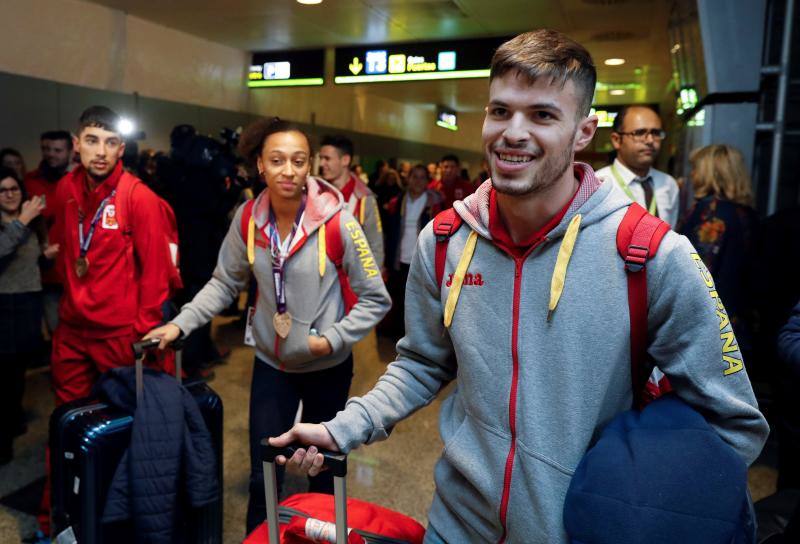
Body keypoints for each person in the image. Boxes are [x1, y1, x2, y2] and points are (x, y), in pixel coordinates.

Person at [270, 29, 769, 543]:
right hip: (457, 525)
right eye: (500, 111)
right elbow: (421, 362)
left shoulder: (651, 254)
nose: (513, 132)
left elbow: (732, 424)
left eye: (543, 115)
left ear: (584, 132)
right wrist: (340, 429)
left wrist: (645, 516)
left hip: (579, 532)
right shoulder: (443, 242)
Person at [143, 118, 391, 534]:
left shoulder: (338, 220)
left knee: (323, 472)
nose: (288, 171)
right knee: (265, 471)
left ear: (310, 164)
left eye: (298, 161)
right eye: (277, 161)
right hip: (272, 366)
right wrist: (179, 325)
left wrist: (330, 340)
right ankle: (261, 538)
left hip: (325, 368)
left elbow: (376, 297)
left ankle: (319, 539)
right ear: (261, 165)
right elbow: (224, 282)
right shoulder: (248, 219)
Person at [37, 106, 176, 535]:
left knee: (128, 432)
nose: (101, 151)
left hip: (122, 337)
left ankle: (120, 522)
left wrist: (143, 336)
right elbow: (66, 250)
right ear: (77, 144)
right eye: (92, 141)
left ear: (122, 148)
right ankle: (59, 516)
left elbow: (157, 275)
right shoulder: (65, 188)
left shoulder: (139, 198)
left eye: (111, 142)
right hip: (73, 332)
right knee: (65, 425)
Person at [679, 145, 759, 364]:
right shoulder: (747, 213)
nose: (691, 174)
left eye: (695, 168)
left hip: (708, 331)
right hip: (738, 325)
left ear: (709, 172)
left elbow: (697, 274)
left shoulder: (710, 214)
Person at [0, 169, 58, 464]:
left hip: (28, 301)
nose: (10, 194)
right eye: (3, 190)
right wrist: (21, 220)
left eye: (14, 189)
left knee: (19, 369)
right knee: (5, 374)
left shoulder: (33, 224)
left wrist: (45, 259)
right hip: (4, 304)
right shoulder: (15, 223)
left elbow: (29, 264)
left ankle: (11, 420)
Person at [596, 105, 680, 228]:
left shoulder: (668, 184)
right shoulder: (598, 184)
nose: (650, 140)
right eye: (640, 133)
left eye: (655, 133)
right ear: (616, 140)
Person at [383, 164, 443, 336]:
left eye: (422, 177)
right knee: (398, 299)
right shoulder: (397, 202)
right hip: (399, 258)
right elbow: (389, 233)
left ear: (427, 181)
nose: (417, 181)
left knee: (418, 302)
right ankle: (396, 334)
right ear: (407, 179)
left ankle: (414, 336)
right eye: (414, 176)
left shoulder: (435, 204)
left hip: (422, 261)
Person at [24, 130, 74, 335]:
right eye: (46, 149)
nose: (51, 154)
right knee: (57, 332)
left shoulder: (79, 182)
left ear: (70, 151)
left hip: (75, 270)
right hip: (45, 272)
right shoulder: (28, 182)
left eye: (57, 150)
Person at [319, 135, 385, 271]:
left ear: (345, 160)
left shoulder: (364, 198)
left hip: (352, 279)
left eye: (327, 159)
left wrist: (369, 287)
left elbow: (376, 247)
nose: (321, 164)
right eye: (321, 158)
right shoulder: (317, 192)